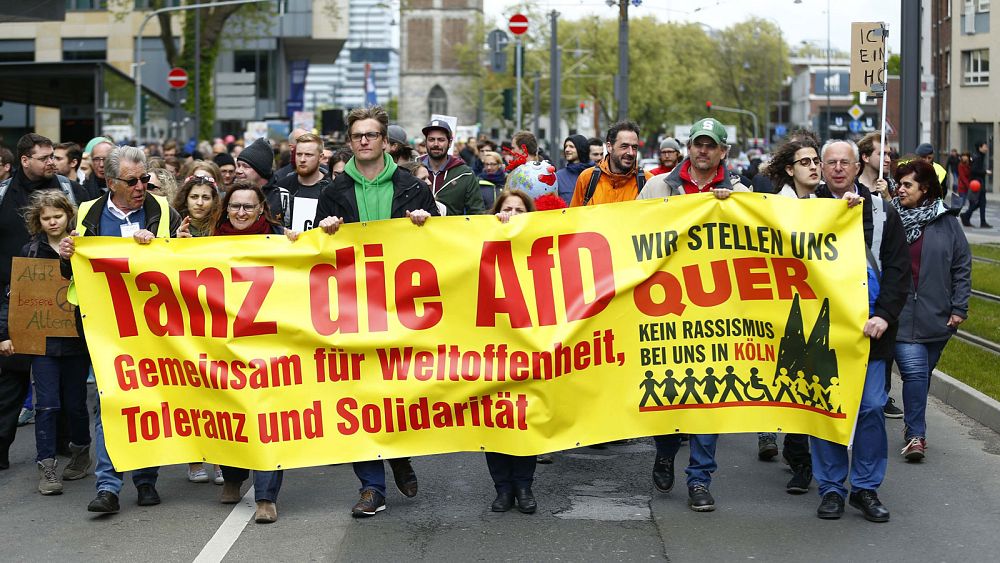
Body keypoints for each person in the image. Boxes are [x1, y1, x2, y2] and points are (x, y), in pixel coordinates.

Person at [314, 105, 434, 518]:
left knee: (398, 393)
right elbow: (314, 253)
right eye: (357, 136)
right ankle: (371, 486)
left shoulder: (413, 189)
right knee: (357, 396)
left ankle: (398, 454)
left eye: (370, 134)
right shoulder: (333, 191)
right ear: (350, 143)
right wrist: (324, 232)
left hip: (400, 309)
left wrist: (427, 223)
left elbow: (441, 250)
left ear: (386, 141)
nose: (363, 141)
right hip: (352, 307)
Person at [57, 145, 181, 514]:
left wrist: (156, 247)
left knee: (148, 401)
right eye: (132, 181)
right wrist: (66, 256)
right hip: (104, 327)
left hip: (152, 326)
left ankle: (146, 480)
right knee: (110, 403)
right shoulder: (88, 213)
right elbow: (73, 270)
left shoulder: (163, 212)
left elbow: (182, 265)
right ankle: (108, 485)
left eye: (144, 179)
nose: (141, 186)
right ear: (110, 182)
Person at [180, 180, 298, 523]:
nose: (241, 213)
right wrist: (180, 250)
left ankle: (265, 498)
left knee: (269, 417)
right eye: (235, 206)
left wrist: (299, 243)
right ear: (225, 208)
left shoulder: (280, 239)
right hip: (223, 343)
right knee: (229, 412)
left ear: (262, 208)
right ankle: (232, 477)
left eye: (248, 206)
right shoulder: (211, 240)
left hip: (271, 343)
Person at [812, 139, 910, 523]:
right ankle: (832, 489)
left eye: (845, 162)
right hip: (822, 333)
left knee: (870, 408)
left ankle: (865, 488)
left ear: (857, 168)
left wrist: (884, 315)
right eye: (831, 162)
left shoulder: (884, 212)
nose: (838, 168)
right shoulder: (800, 212)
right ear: (821, 168)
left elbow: (899, 271)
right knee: (826, 409)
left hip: (871, 332)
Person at [0, 190, 92, 494]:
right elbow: (15, 298)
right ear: (38, 221)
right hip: (42, 342)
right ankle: (47, 464)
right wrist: (6, 334)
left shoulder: (83, 247)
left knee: (76, 404)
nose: (53, 222)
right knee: (47, 405)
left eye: (57, 216)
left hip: (78, 340)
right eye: (46, 218)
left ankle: (80, 452)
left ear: (68, 215)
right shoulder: (30, 252)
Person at [0, 134, 79, 470]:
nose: (52, 162)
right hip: (12, 294)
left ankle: (63, 444)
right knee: (11, 375)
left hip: (60, 304)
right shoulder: (4, 193)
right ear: (24, 160)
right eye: (45, 157)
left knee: (59, 380)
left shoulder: (65, 187)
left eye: (53, 157)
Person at [891, 159, 971, 462]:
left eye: (907, 184)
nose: (900, 189)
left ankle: (913, 424)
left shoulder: (947, 222)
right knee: (913, 373)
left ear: (925, 189)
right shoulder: (890, 218)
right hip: (901, 315)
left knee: (922, 376)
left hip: (939, 316)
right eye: (899, 184)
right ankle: (916, 436)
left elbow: (962, 266)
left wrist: (959, 307)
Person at [760, 136, 825, 493]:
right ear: (789, 169)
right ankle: (796, 454)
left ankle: (800, 457)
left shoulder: (826, 205)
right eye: (805, 162)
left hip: (815, 309)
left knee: (809, 384)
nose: (814, 167)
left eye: (816, 160)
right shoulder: (773, 207)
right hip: (781, 310)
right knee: (791, 383)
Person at [482, 188, 539, 513]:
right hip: (490, 351)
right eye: (508, 210)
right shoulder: (481, 245)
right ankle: (502, 489)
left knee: (524, 418)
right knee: (494, 420)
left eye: (520, 211)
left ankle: (524, 487)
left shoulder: (539, 250)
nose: (513, 216)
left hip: (526, 348)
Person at [570, 120, 652, 206]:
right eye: (624, 146)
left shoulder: (648, 181)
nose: (631, 152)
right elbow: (574, 217)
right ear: (609, 147)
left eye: (634, 147)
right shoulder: (587, 178)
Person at [419, 119, 484, 215]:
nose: (436, 144)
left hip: (451, 229)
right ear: (426, 142)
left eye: (441, 140)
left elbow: (477, 212)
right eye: (431, 139)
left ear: (449, 143)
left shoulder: (465, 174)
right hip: (418, 229)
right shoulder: (413, 169)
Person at [277, 133, 331, 231]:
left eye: (308, 155)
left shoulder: (332, 188)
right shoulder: (282, 187)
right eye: (299, 154)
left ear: (320, 157)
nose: (302, 159)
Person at [237, 137, 290, 227]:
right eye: (238, 165)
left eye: (245, 166)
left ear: (260, 170)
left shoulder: (283, 197)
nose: (238, 170)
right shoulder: (231, 195)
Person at [961, 141, 992, 228]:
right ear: (980, 148)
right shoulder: (978, 157)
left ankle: (970, 217)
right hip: (977, 184)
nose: (986, 148)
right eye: (985, 146)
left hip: (978, 183)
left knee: (981, 203)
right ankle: (967, 216)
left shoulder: (980, 156)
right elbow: (974, 170)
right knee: (979, 203)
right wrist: (985, 171)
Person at [556, 135, 592, 205]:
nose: (567, 150)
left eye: (571, 147)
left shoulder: (595, 173)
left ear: (581, 148)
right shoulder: (559, 176)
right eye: (566, 146)